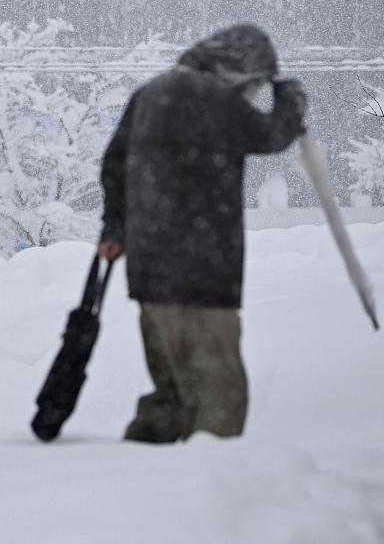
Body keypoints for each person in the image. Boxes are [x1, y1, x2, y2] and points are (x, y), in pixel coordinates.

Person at [98, 24, 305, 443]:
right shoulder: (215, 99)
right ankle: (209, 482)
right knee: (217, 391)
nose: (251, 92)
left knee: (171, 382)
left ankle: (140, 465)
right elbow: (270, 135)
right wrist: (289, 99)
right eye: (253, 82)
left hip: (151, 269)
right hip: (204, 269)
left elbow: (113, 165)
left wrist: (115, 227)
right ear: (238, 70)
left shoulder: (151, 92)